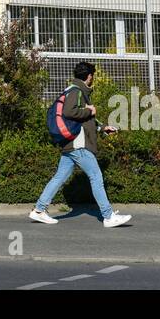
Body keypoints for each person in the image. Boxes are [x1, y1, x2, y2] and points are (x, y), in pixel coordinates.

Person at [29, 61, 131, 228]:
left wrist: (102, 127)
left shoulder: (75, 91)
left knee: (60, 177)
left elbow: (83, 120)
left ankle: (39, 210)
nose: (93, 79)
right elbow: (69, 112)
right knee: (96, 177)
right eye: (93, 76)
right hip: (79, 145)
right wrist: (90, 110)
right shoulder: (76, 91)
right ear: (89, 76)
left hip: (70, 145)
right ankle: (108, 216)